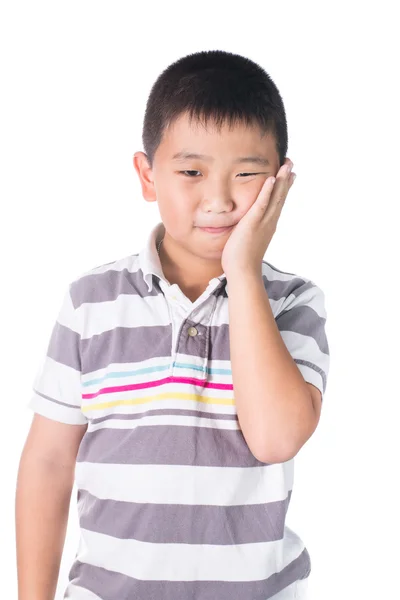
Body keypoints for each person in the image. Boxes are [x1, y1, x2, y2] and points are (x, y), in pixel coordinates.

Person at [16, 49, 330, 600]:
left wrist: (244, 273)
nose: (219, 199)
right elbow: (47, 462)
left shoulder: (292, 301)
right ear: (147, 175)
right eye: (191, 172)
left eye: (248, 174)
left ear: (281, 183)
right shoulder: (91, 302)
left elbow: (277, 437)